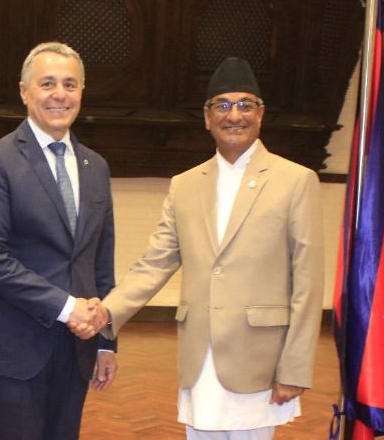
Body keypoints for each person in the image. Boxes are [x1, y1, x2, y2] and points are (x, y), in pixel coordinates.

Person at [71, 57, 324, 440]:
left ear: (260, 114)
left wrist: (295, 367)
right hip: (199, 358)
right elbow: (154, 263)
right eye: (222, 105)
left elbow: (308, 282)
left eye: (244, 105)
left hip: (258, 361)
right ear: (207, 117)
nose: (234, 115)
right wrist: (106, 312)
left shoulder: (295, 181)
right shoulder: (185, 185)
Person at [0, 41, 118, 440]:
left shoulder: (96, 166)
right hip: (11, 350)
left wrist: (106, 341)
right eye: (47, 83)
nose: (59, 94)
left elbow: (100, 261)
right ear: (24, 91)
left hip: (77, 351)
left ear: (82, 92)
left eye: (70, 84)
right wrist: (67, 308)